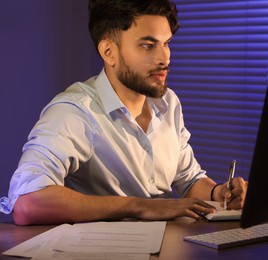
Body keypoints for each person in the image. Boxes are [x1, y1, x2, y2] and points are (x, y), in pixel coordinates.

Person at [0, 0, 247, 225]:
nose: (165, 58)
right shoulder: (75, 112)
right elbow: (27, 203)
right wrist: (139, 206)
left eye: (166, 44)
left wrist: (220, 193)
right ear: (109, 52)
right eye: (148, 45)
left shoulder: (168, 103)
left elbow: (189, 180)